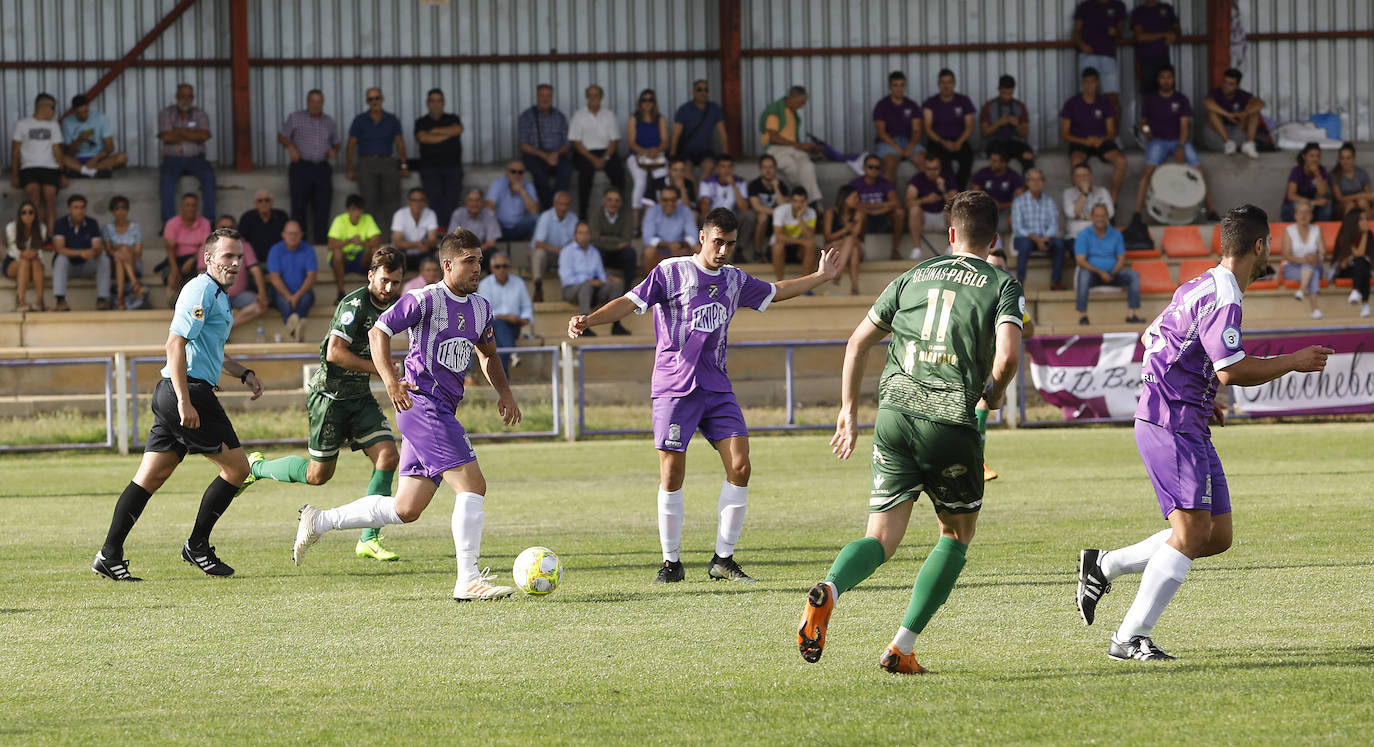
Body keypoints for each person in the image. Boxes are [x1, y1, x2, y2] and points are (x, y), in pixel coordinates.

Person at [1075, 205, 1334, 661]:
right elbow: (1232, 369)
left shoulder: (1198, 283)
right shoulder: (1226, 296)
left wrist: (1199, 391)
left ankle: (1105, 564)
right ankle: (1130, 637)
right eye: (1269, 243)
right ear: (1260, 246)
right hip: (1170, 421)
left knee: (1215, 535)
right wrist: (1292, 361)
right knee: (1192, 532)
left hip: (1184, 416)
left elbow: (1152, 338)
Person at [797, 190, 1025, 675]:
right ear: (994, 239)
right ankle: (902, 648)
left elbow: (857, 341)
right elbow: (1006, 358)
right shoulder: (1003, 284)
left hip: (893, 415)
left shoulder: (912, 275)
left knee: (880, 537)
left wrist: (846, 410)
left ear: (949, 235)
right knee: (956, 533)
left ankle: (830, 590)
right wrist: (995, 394)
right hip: (948, 419)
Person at [567, 208, 842, 584]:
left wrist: (821, 276)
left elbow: (776, 292)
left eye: (730, 243)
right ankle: (671, 562)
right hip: (674, 386)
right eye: (717, 241)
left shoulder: (734, 280)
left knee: (741, 466)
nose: (723, 250)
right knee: (672, 472)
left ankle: (723, 560)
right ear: (702, 237)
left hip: (716, 386)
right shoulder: (671, 271)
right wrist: (589, 319)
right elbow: (631, 302)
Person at [292, 229, 524, 603]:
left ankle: (319, 521)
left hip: (441, 409)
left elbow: (489, 354)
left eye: (479, 260)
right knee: (473, 486)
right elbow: (378, 332)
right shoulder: (424, 299)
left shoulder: (481, 307)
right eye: (470, 261)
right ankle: (467, 579)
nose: (477, 267)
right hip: (422, 405)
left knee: (406, 508)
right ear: (448, 265)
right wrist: (390, 382)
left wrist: (506, 392)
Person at [91, 227, 265, 582]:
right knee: (238, 469)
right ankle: (197, 546)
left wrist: (242, 372)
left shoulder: (218, 293)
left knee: (150, 477)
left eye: (238, 257)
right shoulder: (201, 289)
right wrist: (186, 402)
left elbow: (210, 350)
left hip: (179, 391)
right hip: (186, 393)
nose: (234, 263)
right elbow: (174, 345)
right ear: (209, 258)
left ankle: (109, 555)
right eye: (227, 256)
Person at [247, 246, 406, 562]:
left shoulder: (394, 307)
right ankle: (256, 467)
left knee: (388, 456)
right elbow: (334, 352)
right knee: (319, 476)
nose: (389, 289)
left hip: (359, 397)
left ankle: (368, 537)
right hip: (330, 399)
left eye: (396, 282)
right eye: (385, 280)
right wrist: (383, 371)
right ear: (371, 275)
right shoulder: (355, 304)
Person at [1133, 64, 1219, 223]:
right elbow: (1143, 122)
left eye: (1169, 77)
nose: (1166, 81)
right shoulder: (1151, 99)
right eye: (1162, 78)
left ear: (1173, 79)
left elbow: (1185, 126)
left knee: (1199, 171)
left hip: (1179, 140)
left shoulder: (1181, 99)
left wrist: (1180, 146)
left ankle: (1211, 211)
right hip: (1157, 141)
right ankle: (1137, 213)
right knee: (1148, 172)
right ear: (1158, 80)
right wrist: (1146, 131)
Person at [980, 248, 1036, 482]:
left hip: (990, 362)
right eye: (993, 266)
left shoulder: (1008, 296)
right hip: (968, 361)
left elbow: (1030, 329)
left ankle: (976, 462)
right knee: (979, 406)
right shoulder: (975, 294)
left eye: (1002, 267)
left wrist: (1006, 331)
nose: (998, 271)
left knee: (980, 405)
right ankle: (974, 462)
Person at [278, 89, 340, 244]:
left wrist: (334, 149)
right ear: (307, 102)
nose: (315, 105)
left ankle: (321, 245)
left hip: (322, 168)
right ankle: (300, 245)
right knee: (299, 208)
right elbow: (282, 136)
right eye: (313, 101)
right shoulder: (296, 117)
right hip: (301, 168)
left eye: (319, 101)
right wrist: (291, 147)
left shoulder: (329, 121)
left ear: (322, 103)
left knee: (322, 209)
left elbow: (337, 142)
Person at [1061, 68, 1127, 206]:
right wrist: (1085, 141)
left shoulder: (1104, 102)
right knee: (1076, 161)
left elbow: (1112, 132)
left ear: (1097, 83)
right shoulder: (1072, 103)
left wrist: (1101, 140)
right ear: (1082, 83)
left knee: (1121, 161)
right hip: (1080, 141)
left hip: (1101, 141)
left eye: (1092, 82)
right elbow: (1064, 134)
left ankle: (1112, 203)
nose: (1089, 85)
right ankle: (1081, 202)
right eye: (1086, 82)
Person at [346, 87, 408, 229]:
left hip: (387, 161)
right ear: (367, 101)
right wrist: (350, 168)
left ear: (382, 99)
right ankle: (370, 239)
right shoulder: (360, 120)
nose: (374, 101)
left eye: (377, 98)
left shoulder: (392, 119)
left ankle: (393, 237)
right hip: (366, 162)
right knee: (368, 202)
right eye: (371, 99)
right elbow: (350, 146)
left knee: (392, 200)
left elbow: (400, 144)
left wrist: (404, 166)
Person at [10, 92, 67, 238]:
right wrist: (15, 175)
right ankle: (37, 238)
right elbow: (15, 151)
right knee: (34, 199)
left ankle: (50, 237)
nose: (54, 112)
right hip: (29, 168)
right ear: (43, 106)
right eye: (53, 107)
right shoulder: (22, 124)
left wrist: (62, 173)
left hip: (50, 168)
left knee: (50, 200)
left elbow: (57, 151)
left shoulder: (53, 125)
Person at [1075, 204, 1143, 325]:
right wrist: (1101, 273)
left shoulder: (1116, 234)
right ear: (1091, 217)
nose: (1100, 219)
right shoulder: (1083, 234)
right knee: (1083, 274)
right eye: (1097, 216)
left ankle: (1132, 315)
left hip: (1113, 274)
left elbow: (1121, 259)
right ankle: (1083, 316)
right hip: (1093, 275)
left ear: (1107, 217)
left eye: (1103, 216)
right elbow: (1080, 260)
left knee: (1133, 275)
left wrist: (1111, 273)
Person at [157, 83, 216, 222]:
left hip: (196, 159)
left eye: (189, 96)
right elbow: (166, 137)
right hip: (172, 158)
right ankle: (169, 223)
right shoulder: (166, 113)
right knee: (166, 180)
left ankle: (209, 221)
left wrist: (178, 131)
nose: (186, 99)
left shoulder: (200, 114)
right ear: (177, 96)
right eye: (183, 96)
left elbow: (205, 136)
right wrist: (193, 135)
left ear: (193, 97)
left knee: (209, 176)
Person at [759, 86, 824, 208]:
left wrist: (808, 148)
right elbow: (773, 137)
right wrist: (799, 145)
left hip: (792, 150)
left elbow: (792, 141)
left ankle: (812, 201)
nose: (802, 105)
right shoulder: (775, 110)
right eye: (801, 102)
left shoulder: (793, 114)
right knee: (790, 165)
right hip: (775, 149)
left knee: (808, 166)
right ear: (792, 97)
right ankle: (811, 203)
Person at [559, 222, 628, 335]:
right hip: (572, 290)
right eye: (581, 233)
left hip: (591, 289)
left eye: (586, 233)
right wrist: (588, 281)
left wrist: (607, 279)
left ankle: (616, 324)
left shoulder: (594, 252)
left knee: (616, 284)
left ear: (590, 236)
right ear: (575, 235)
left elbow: (600, 274)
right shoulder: (567, 252)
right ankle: (583, 325)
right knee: (586, 286)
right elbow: (567, 279)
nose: (584, 236)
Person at [568, 84, 626, 219]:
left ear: (602, 97)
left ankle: (619, 212)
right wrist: (593, 159)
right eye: (590, 95)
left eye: (596, 95)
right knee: (585, 174)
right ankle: (583, 215)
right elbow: (575, 142)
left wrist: (605, 158)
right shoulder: (578, 115)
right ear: (586, 97)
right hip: (584, 153)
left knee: (618, 173)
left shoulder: (609, 114)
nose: (593, 98)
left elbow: (614, 141)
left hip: (605, 152)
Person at [201, 215, 268, 326]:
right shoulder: (207, 247)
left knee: (262, 304)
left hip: (239, 296)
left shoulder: (244, 246)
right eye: (223, 227)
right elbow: (202, 274)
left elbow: (256, 270)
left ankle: (227, 328)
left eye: (231, 227)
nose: (227, 230)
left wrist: (262, 293)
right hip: (215, 295)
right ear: (216, 229)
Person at [414, 88, 465, 227]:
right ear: (427, 103)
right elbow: (423, 138)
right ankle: (437, 236)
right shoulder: (421, 122)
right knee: (434, 203)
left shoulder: (453, 118)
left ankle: (451, 236)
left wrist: (435, 132)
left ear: (443, 103)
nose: (436, 104)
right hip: (430, 169)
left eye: (439, 101)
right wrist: (448, 134)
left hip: (453, 168)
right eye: (433, 101)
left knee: (452, 202)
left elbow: (458, 129)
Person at [476, 251, 534, 373]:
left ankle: (502, 384)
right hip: (492, 326)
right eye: (498, 266)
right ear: (492, 268)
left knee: (500, 341)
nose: (501, 269)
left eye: (504, 266)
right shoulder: (485, 284)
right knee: (499, 325)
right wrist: (507, 317)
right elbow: (486, 313)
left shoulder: (518, 283)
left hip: (514, 325)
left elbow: (527, 307)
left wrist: (524, 318)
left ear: (509, 268)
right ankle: (512, 353)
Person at [518, 84, 573, 209]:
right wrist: (544, 155)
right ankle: (550, 209)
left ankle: (558, 202)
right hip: (535, 155)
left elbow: (567, 143)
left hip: (556, 154)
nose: (545, 99)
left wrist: (556, 154)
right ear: (537, 97)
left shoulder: (559, 116)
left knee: (566, 169)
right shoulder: (527, 116)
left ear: (552, 97)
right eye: (542, 95)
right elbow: (523, 144)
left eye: (548, 95)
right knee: (539, 176)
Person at [53, 195, 112, 312]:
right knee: (61, 258)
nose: (79, 211)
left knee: (104, 258)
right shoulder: (60, 223)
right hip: (68, 267)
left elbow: (98, 247)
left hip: (86, 265)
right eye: (76, 207)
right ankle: (60, 300)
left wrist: (94, 251)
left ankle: (102, 299)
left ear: (85, 209)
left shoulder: (92, 223)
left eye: (82, 207)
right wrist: (79, 252)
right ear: (69, 209)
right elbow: (59, 248)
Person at [1072, 0, 1127, 123]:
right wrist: (1082, 45)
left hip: (1108, 56)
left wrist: (1116, 32)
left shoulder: (1118, 6)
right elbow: (1076, 31)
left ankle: (1115, 138)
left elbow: (1120, 31)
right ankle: (1085, 136)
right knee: (1087, 96)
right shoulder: (1085, 6)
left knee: (1112, 98)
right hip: (1087, 56)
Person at [1012, 169, 1066, 289]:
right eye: (1032, 179)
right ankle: (1020, 282)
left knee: (1060, 245)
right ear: (1027, 182)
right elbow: (1018, 228)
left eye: (1039, 179)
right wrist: (1037, 239)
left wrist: (1045, 238)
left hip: (1045, 237)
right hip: (1025, 238)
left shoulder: (1049, 201)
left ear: (1043, 182)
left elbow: (1054, 225)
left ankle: (1055, 282)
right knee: (1025, 245)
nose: (1036, 182)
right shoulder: (1019, 201)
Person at [922, 69, 977, 188]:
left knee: (967, 159)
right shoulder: (930, 103)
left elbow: (970, 126)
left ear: (954, 83)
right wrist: (943, 142)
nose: (946, 86)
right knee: (944, 164)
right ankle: (949, 192)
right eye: (943, 82)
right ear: (938, 84)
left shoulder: (963, 101)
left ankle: (960, 192)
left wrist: (959, 142)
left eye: (949, 82)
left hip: (959, 141)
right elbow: (927, 128)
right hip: (938, 142)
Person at [267, 221, 318, 341]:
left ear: (301, 235)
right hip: (282, 292)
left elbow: (311, 277)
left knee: (306, 298)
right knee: (284, 301)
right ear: (283, 234)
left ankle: (293, 328)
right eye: (290, 233)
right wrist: (290, 296)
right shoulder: (275, 250)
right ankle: (297, 329)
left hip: (302, 291)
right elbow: (274, 278)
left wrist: (297, 296)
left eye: (296, 233)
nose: (293, 236)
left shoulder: (308, 249)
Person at [327, 194, 383, 302]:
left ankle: (373, 291)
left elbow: (377, 241)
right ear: (348, 210)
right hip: (343, 262)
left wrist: (361, 243)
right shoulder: (339, 220)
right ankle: (340, 293)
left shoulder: (368, 219)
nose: (357, 213)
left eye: (359, 210)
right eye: (354, 209)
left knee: (375, 251)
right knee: (337, 253)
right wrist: (350, 241)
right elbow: (330, 246)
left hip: (361, 261)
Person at [848, 154, 905, 259]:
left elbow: (896, 203)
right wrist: (883, 205)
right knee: (860, 214)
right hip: (864, 220)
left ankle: (895, 250)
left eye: (877, 167)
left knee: (899, 213)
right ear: (864, 168)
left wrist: (872, 210)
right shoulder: (855, 184)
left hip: (883, 219)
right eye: (870, 167)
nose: (874, 170)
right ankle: (862, 251)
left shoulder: (884, 183)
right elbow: (852, 205)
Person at [872, 71, 924, 185]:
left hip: (908, 141)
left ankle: (924, 198)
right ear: (890, 87)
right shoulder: (882, 105)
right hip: (887, 143)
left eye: (901, 85)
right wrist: (898, 149)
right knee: (890, 163)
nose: (899, 88)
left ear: (905, 86)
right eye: (895, 85)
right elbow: (881, 132)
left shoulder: (911, 105)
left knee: (924, 160)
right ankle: (891, 200)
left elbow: (917, 130)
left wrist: (910, 147)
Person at [626, 88, 669, 225]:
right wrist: (645, 151)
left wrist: (656, 150)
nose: (647, 102)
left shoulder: (659, 118)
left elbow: (665, 141)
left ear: (654, 102)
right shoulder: (634, 118)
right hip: (637, 155)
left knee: (662, 179)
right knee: (641, 181)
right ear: (640, 102)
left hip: (656, 156)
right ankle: (636, 223)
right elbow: (631, 142)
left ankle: (661, 219)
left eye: (650, 99)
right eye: (644, 100)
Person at [698, 155, 756, 256]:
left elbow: (744, 208)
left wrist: (733, 185)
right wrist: (715, 223)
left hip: (733, 217)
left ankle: (740, 249)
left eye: (729, 167)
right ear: (717, 168)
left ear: (733, 169)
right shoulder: (707, 182)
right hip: (714, 217)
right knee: (702, 217)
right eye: (723, 167)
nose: (726, 170)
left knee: (749, 215)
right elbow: (704, 207)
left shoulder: (739, 182)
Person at [670, 79, 728, 179]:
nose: (703, 92)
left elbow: (722, 134)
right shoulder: (684, 109)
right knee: (686, 170)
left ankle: (700, 192)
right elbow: (676, 134)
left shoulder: (714, 108)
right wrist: (672, 155)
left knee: (709, 167)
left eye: (706, 90)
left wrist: (725, 156)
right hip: (686, 151)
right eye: (699, 89)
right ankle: (696, 191)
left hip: (706, 151)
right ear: (693, 91)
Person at [904, 154, 959, 259]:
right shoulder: (917, 179)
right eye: (929, 169)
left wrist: (943, 191)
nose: (932, 172)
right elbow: (907, 203)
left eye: (935, 168)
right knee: (914, 210)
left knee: (953, 210)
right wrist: (926, 200)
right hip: (924, 219)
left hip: (943, 218)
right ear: (924, 168)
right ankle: (917, 249)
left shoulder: (947, 178)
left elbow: (956, 204)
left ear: (940, 168)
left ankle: (951, 247)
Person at [1202, 68, 1263, 158]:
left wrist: (1245, 113)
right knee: (1211, 112)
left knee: (1254, 113)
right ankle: (1228, 143)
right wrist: (1227, 114)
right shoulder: (1216, 93)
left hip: (1237, 136)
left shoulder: (1241, 94)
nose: (1226, 86)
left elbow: (1260, 103)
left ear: (1237, 86)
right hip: (1217, 138)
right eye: (1225, 82)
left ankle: (1249, 144)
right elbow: (1207, 102)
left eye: (1230, 84)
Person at [61, 94, 127, 176]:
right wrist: (79, 140)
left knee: (122, 157)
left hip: (98, 159)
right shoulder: (67, 122)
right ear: (73, 110)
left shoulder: (100, 118)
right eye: (79, 113)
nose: (83, 115)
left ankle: (82, 171)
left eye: (86, 111)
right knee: (60, 157)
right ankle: (95, 172)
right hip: (77, 160)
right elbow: (68, 153)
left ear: (88, 107)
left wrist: (95, 159)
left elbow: (110, 148)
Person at [530, 191, 578, 302]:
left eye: (566, 204)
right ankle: (538, 287)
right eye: (561, 204)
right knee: (539, 253)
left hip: (566, 257)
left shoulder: (573, 218)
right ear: (555, 204)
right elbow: (538, 243)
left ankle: (573, 290)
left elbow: (577, 242)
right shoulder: (546, 216)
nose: (563, 208)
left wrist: (565, 252)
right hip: (549, 255)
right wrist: (560, 250)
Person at [1281, 199, 1325, 320]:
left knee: (1312, 268)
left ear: (1311, 215)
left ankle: (1302, 289)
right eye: (1300, 212)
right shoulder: (1289, 230)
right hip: (1291, 268)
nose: (1303, 215)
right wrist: (1304, 260)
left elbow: (1322, 253)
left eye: (1307, 212)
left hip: (1314, 265)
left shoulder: (1317, 230)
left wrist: (1316, 257)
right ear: (1295, 215)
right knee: (1312, 271)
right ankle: (1315, 309)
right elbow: (1286, 255)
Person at [163, 193, 211, 303]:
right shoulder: (172, 223)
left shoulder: (205, 223)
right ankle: (172, 304)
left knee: (199, 277)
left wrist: (193, 259)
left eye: (193, 205)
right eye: (187, 205)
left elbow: (205, 247)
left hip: (198, 259)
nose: (190, 208)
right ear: (182, 207)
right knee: (172, 277)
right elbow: (170, 248)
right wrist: (175, 270)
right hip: (176, 258)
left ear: (197, 207)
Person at [980, 75, 1034, 173]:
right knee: (998, 160)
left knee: (1028, 155)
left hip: (1013, 142)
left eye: (1010, 93)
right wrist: (999, 123)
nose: (1007, 97)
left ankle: (1027, 186)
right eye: (1004, 93)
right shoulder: (988, 107)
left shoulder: (1019, 106)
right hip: (995, 142)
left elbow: (1025, 134)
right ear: (999, 89)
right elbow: (984, 134)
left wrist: (1017, 125)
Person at [641, 185, 699, 275]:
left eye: (673, 200)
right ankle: (651, 285)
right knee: (649, 251)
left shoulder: (685, 210)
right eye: (665, 200)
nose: (669, 203)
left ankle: (699, 285)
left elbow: (693, 236)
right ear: (660, 200)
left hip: (680, 250)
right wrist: (668, 245)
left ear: (677, 200)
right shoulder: (652, 211)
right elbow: (647, 238)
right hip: (659, 252)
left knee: (697, 248)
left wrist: (679, 245)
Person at [103, 196, 147, 310]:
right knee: (119, 256)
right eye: (117, 208)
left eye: (124, 207)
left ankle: (119, 298)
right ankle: (135, 284)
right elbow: (108, 251)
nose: (121, 210)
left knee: (121, 254)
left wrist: (124, 250)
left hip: (133, 263)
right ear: (112, 210)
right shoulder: (107, 228)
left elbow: (138, 252)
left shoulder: (136, 227)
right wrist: (124, 249)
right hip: (114, 262)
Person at [1131, 0, 1180, 98]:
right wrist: (1165, 34)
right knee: (1147, 93)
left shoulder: (1166, 8)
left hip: (1163, 57)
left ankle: (1166, 113)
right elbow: (1140, 37)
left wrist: (1175, 34)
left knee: (1167, 90)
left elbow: (1177, 29)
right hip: (1145, 58)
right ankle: (1148, 113)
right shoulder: (1139, 11)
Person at [5, 201, 48, 311]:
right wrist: (23, 254)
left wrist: (33, 254)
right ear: (19, 215)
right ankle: (22, 301)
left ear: (35, 214)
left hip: (34, 263)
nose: (27, 215)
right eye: (24, 212)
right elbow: (13, 249)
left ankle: (40, 301)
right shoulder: (11, 227)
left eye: (30, 212)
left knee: (34, 261)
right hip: (14, 262)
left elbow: (40, 251)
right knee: (25, 261)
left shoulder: (41, 228)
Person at [588, 189, 638, 284]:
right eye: (609, 200)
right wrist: (617, 243)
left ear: (621, 203)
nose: (613, 204)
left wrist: (604, 238)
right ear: (604, 201)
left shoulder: (627, 216)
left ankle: (627, 291)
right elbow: (595, 239)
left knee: (630, 253)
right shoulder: (595, 215)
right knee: (595, 252)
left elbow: (626, 240)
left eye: (616, 201)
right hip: (602, 253)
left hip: (619, 254)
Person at [823, 185, 866, 295]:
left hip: (852, 245)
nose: (858, 200)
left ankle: (837, 273)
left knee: (852, 243)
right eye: (854, 197)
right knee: (854, 250)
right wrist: (845, 230)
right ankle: (855, 288)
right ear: (845, 199)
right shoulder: (831, 212)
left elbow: (855, 236)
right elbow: (827, 237)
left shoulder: (857, 214)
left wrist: (859, 220)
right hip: (834, 246)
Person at [969, 150, 1025, 233]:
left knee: (1016, 217)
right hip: (985, 210)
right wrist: (988, 203)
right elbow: (972, 195)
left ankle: (1013, 243)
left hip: (1005, 211)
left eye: (995, 161)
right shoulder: (983, 173)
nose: (991, 163)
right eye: (991, 160)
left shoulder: (1013, 175)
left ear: (1004, 163)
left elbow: (1022, 199)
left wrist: (1002, 205)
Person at [771, 186, 818, 283]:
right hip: (783, 247)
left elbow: (810, 238)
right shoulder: (780, 211)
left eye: (802, 201)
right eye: (796, 201)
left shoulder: (811, 212)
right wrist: (802, 241)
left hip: (799, 249)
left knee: (811, 246)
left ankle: (806, 284)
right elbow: (779, 237)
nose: (799, 205)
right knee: (778, 247)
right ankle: (779, 284)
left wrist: (800, 217)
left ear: (806, 202)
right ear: (791, 201)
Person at [1331, 209, 1372, 318]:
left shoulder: (1368, 234)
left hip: (1362, 270)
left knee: (1363, 265)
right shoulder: (1345, 236)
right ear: (1354, 221)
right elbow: (1359, 253)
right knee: (1361, 263)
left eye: (1365, 219)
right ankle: (1365, 303)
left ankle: (1356, 291)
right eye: (1361, 219)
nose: (1365, 222)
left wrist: (1365, 234)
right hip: (1345, 271)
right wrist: (1364, 234)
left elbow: (1361, 255)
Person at [485, 161, 540, 241]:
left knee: (536, 218)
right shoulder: (498, 183)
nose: (516, 175)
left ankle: (536, 248)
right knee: (487, 216)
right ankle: (490, 247)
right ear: (507, 172)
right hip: (500, 227)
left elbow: (534, 211)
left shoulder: (528, 185)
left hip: (519, 227)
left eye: (520, 172)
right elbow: (489, 205)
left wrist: (522, 191)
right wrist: (496, 222)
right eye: (513, 171)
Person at [747, 155, 790, 254]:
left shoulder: (781, 185)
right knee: (763, 217)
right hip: (758, 219)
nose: (768, 170)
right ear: (760, 169)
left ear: (775, 169)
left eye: (771, 167)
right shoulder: (754, 185)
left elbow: (784, 207)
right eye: (765, 167)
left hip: (776, 220)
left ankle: (778, 253)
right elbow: (756, 207)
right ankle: (757, 252)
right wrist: (776, 212)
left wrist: (776, 188)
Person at [1063, 163, 1116, 241]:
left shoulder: (1102, 191)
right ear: (1073, 179)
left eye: (1085, 175)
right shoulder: (1068, 192)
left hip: (1101, 235)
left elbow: (1110, 213)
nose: (1082, 179)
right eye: (1078, 176)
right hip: (1077, 236)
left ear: (1091, 177)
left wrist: (1082, 217)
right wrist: (1084, 193)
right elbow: (1071, 213)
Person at [449, 188, 502, 265]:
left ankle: (491, 277)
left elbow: (491, 242)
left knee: (493, 253)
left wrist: (475, 251)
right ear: (466, 203)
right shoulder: (458, 214)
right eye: (471, 200)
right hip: (462, 251)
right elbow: (452, 238)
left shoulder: (489, 214)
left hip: (482, 251)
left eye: (477, 200)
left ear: (482, 202)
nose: (474, 203)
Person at [1282, 143, 1334, 222]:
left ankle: (1322, 231)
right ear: (1304, 156)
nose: (1315, 159)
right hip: (1294, 207)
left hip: (1311, 208)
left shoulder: (1321, 170)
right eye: (1312, 156)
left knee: (1327, 205)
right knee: (1294, 205)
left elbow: (1323, 193)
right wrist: (1312, 202)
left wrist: (1316, 173)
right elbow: (1291, 196)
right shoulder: (1297, 171)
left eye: (1317, 156)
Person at [391, 187, 440, 269]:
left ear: (425, 202)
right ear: (408, 202)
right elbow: (397, 243)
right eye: (414, 200)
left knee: (439, 253)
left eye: (421, 200)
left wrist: (426, 244)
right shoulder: (400, 214)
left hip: (423, 251)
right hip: (406, 253)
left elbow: (433, 240)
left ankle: (435, 278)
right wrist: (417, 244)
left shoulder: (430, 213)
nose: (418, 203)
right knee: (398, 255)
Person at [237, 190, 289, 264]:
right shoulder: (247, 217)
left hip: (280, 261)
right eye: (260, 201)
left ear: (272, 202)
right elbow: (241, 240)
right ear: (255, 203)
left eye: (267, 200)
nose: (264, 203)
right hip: (254, 263)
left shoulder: (281, 216)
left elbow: (289, 237)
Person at [644, 156, 699, 222]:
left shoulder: (688, 184)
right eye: (675, 170)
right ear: (669, 170)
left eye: (682, 170)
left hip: (680, 217)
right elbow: (647, 206)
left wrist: (682, 188)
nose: (679, 174)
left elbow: (688, 209)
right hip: (660, 216)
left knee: (694, 214)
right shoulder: (656, 182)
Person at [1330, 142, 1372, 219]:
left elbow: (1368, 195)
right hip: (1342, 206)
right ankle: (1347, 229)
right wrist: (1359, 195)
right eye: (1342, 158)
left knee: (1363, 202)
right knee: (1351, 205)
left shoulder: (1362, 174)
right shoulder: (1335, 175)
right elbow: (1339, 199)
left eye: (1348, 158)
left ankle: (1370, 228)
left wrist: (1361, 198)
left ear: (1354, 158)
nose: (1345, 161)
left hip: (1360, 202)